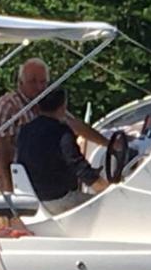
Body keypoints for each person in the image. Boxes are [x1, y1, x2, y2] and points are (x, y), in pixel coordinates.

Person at [0, 58, 108, 192]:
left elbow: (75, 124)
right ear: (20, 83)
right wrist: (9, 187)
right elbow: (0, 146)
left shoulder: (47, 105)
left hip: (29, 182)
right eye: (33, 81)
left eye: (43, 82)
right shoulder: (7, 105)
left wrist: (107, 143)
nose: (39, 87)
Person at [15, 87, 108, 215]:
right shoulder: (61, 133)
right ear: (63, 106)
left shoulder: (24, 131)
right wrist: (106, 189)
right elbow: (79, 167)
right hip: (60, 199)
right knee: (111, 207)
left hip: (35, 199)